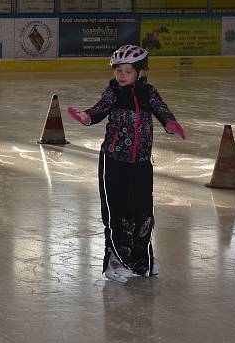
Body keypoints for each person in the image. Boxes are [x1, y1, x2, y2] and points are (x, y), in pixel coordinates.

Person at [66, 45, 185, 283]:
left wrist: (170, 123)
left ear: (141, 72)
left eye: (127, 71)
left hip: (141, 162)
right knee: (117, 213)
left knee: (143, 213)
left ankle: (142, 260)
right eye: (118, 70)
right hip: (114, 160)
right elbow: (99, 110)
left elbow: (161, 110)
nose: (121, 75)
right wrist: (87, 117)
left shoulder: (149, 93)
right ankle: (116, 261)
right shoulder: (113, 93)